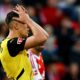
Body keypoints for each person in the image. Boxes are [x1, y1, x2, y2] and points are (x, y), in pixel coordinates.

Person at [0, 5, 49, 80]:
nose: (28, 26)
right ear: (16, 26)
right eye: (24, 23)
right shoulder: (12, 44)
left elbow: (45, 36)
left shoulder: (11, 44)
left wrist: (28, 19)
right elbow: (42, 38)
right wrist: (28, 20)